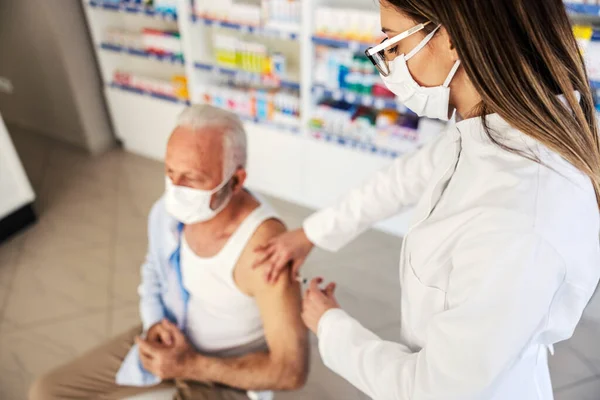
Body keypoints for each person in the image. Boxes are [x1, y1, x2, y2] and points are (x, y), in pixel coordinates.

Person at [256, 1, 600, 399]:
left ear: (451, 39)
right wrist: (311, 234)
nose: (390, 67)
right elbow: (402, 179)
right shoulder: (486, 130)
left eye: (394, 46)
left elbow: (434, 390)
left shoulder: (522, 216)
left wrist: (332, 325)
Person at [30, 105, 309, 400]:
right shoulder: (169, 210)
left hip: (224, 372)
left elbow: (291, 370)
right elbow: (154, 269)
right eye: (170, 172)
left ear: (236, 181)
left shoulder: (264, 250)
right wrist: (153, 323)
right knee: (47, 392)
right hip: (171, 329)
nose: (175, 189)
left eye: (192, 178)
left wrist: (190, 365)